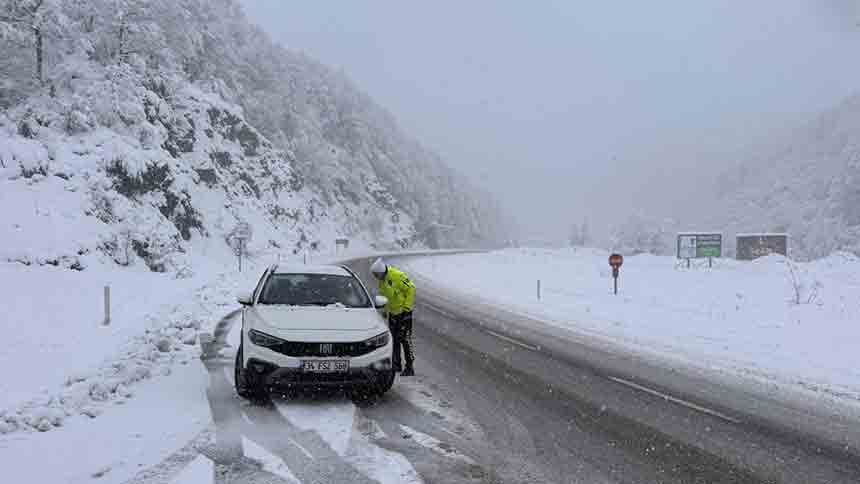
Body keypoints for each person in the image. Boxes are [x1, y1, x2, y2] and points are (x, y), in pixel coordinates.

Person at [371, 258, 416, 376]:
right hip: (393, 314)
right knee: (394, 340)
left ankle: (410, 366)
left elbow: (411, 288)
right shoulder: (382, 282)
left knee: (405, 340)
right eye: (374, 275)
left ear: (381, 271)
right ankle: (397, 364)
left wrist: (407, 309)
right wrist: (385, 312)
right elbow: (386, 298)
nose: (375, 277)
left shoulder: (396, 275)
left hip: (404, 314)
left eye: (376, 274)